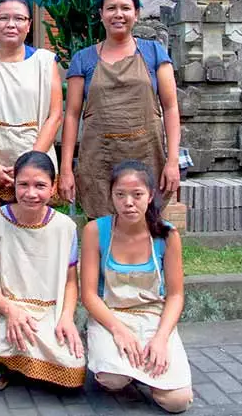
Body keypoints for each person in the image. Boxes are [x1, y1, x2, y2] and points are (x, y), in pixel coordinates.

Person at [59, 0, 180, 218]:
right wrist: (66, 169)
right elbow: (72, 115)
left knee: (144, 228)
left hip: (146, 156)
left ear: (137, 14)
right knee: (103, 230)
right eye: (111, 8)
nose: (118, 14)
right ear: (101, 14)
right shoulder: (83, 59)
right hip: (99, 161)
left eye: (125, 8)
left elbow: (171, 107)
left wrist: (172, 162)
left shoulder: (154, 53)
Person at [81, 160, 193, 413]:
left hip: (154, 317)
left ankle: (146, 370)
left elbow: (175, 295)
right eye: (120, 195)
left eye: (137, 194)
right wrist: (118, 330)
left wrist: (161, 338)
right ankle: (120, 362)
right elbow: (88, 294)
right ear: (111, 196)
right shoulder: (95, 231)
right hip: (111, 316)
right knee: (112, 379)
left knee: (177, 401)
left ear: (150, 195)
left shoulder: (167, 234)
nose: (128, 202)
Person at [0, 151, 85, 390]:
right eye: (23, 184)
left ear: (53, 187)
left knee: (72, 370)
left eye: (40, 185)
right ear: (14, 185)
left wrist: (66, 317)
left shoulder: (65, 227)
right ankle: (5, 364)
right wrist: (10, 310)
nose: (31, 193)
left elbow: (70, 282)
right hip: (7, 309)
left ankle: (24, 363)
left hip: (49, 311)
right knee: (8, 337)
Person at [0, 0, 63, 211]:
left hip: (37, 162)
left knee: (37, 231)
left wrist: (30, 164)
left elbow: (55, 116)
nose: (11, 24)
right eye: (3, 18)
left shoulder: (45, 62)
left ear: (29, 25)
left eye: (19, 18)